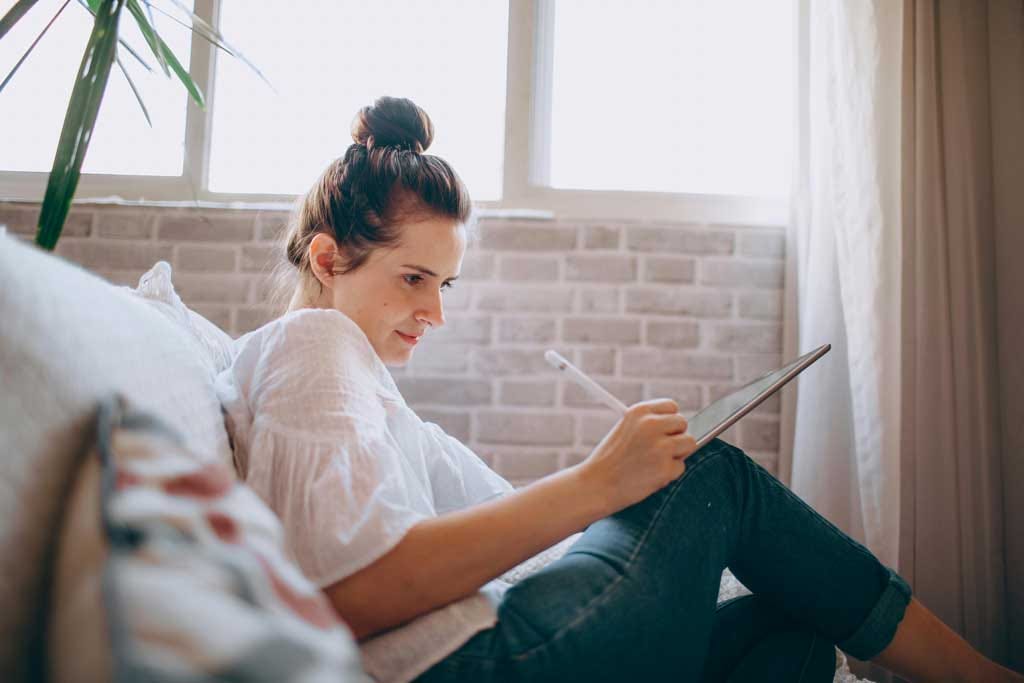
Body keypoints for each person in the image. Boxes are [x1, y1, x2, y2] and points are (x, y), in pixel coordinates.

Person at [215, 96, 1023, 683]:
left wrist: (664, 529)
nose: (433, 311)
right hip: (476, 665)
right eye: (415, 278)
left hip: (505, 640)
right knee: (713, 475)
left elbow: (513, 538)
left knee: (790, 630)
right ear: (327, 261)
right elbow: (349, 593)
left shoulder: (368, 393)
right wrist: (603, 483)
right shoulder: (311, 345)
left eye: (446, 285)